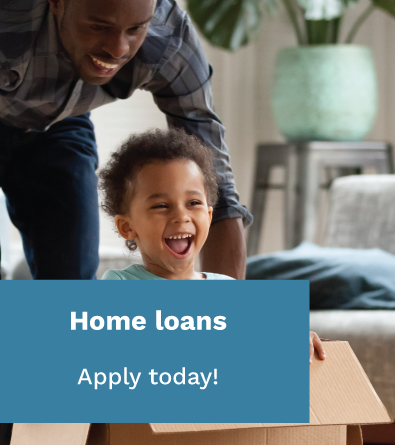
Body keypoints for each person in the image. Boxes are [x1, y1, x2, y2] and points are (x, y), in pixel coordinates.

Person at [0, 0, 252, 443]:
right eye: (99, 25)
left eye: (134, 29)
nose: (118, 47)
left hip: (59, 122)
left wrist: (232, 333)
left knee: (69, 308)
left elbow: (219, 193)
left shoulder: (168, 35)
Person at [98, 128, 328, 362]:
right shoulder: (118, 285)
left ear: (209, 217)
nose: (181, 216)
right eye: (160, 206)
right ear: (127, 227)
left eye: (193, 202)